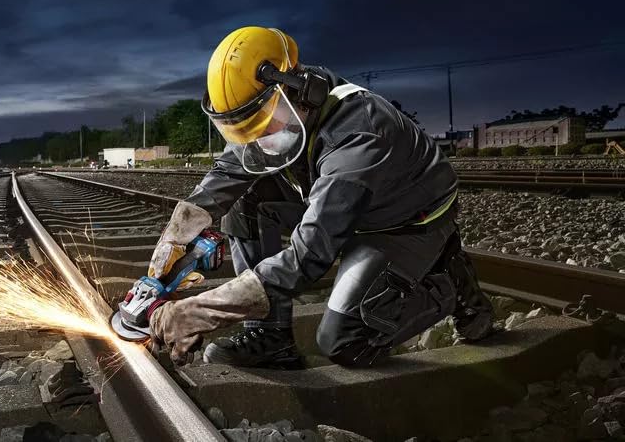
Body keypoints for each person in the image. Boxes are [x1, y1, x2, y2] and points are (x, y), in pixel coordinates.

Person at [148, 26, 494, 368]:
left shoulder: (358, 134)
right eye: (244, 130)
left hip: (405, 220)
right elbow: (223, 178)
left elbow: (309, 256)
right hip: (343, 202)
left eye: (263, 123)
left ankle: (449, 284)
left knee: (345, 343)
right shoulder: (282, 110)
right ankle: (270, 338)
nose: (257, 139)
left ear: (298, 89)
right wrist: (167, 253)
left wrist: (199, 312)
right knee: (245, 199)